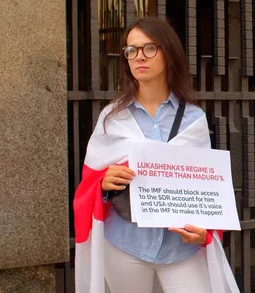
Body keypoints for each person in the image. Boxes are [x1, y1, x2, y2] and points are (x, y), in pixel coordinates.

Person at [73, 17, 238, 293]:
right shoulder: (112, 117)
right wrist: (104, 182)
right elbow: (90, 182)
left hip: (180, 248)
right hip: (125, 244)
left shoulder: (193, 119)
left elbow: (206, 190)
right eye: (131, 50)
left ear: (169, 54)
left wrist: (204, 232)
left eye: (149, 48)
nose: (139, 57)